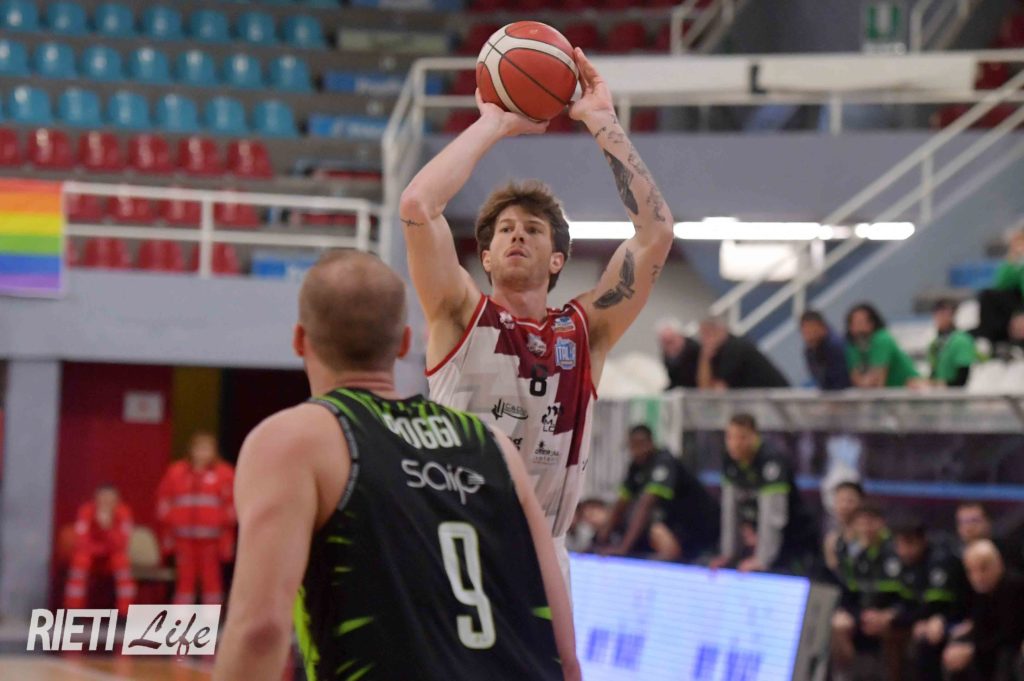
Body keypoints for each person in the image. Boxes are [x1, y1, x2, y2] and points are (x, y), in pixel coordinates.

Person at [213, 251, 579, 681]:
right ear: (405, 343)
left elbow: (259, 631)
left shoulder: (296, 441)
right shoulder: (495, 446)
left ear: (299, 339)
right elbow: (563, 645)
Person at [399, 48, 675, 584]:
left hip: (545, 553)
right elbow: (417, 205)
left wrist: (602, 120)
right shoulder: (459, 313)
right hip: (456, 545)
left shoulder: (586, 330)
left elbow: (656, 234)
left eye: (532, 229)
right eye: (505, 229)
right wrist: (493, 124)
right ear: (485, 258)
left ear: (556, 260)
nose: (517, 235)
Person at [709, 414, 817, 574]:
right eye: (730, 437)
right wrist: (728, 554)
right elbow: (729, 510)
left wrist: (762, 559)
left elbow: (773, 516)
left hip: (792, 541)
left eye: (742, 437)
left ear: (755, 437)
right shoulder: (730, 459)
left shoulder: (771, 460)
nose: (735, 444)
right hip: (757, 538)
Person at [596, 424, 719, 562]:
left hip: (697, 525)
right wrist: (599, 541)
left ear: (650, 443)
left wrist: (624, 548)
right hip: (674, 522)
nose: (636, 451)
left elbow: (646, 504)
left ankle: (673, 561)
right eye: (633, 446)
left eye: (640, 445)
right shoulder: (636, 466)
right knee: (606, 516)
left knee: (655, 529)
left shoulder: (664, 462)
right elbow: (621, 504)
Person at [156, 431, 235, 605]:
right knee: (185, 581)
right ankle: (182, 618)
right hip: (183, 537)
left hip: (212, 538)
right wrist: (171, 526)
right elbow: (164, 501)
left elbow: (232, 505)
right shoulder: (175, 473)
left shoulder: (225, 474)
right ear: (191, 450)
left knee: (211, 581)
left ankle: (210, 617)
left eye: (207, 449)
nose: (202, 453)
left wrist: (224, 532)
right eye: (199, 448)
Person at [890, 518, 969, 681]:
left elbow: (938, 605)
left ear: (922, 541)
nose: (903, 550)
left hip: (956, 617)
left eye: (909, 543)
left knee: (928, 638)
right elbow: (906, 602)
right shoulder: (904, 563)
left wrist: (938, 619)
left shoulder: (940, 560)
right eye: (899, 544)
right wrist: (892, 615)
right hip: (925, 619)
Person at [830, 503, 904, 677]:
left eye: (871, 522)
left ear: (882, 524)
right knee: (838, 625)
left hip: (891, 614)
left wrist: (888, 615)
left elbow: (907, 596)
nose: (866, 528)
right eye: (861, 523)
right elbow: (847, 595)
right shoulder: (851, 553)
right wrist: (860, 615)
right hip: (862, 615)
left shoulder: (896, 551)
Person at [942, 540, 1024, 681]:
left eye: (984, 568)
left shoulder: (1014, 587)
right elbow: (980, 625)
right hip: (989, 646)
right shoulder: (980, 591)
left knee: (1005, 656)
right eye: (971, 571)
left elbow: (1010, 635)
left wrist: (973, 651)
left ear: (998, 564)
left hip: (1009, 648)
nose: (978, 577)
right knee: (954, 647)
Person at [64, 484, 136, 616]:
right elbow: (81, 540)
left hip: (112, 554)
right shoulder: (86, 511)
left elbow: (122, 543)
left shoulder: (123, 513)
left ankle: (124, 613)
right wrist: (97, 549)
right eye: (103, 498)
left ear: (117, 500)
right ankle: (73, 612)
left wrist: (107, 528)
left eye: (110, 498)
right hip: (90, 553)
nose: (106, 502)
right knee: (80, 561)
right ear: (96, 499)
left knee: (122, 563)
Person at [696, 316, 790, 389]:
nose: (704, 339)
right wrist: (705, 356)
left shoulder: (735, 347)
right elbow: (705, 387)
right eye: (703, 334)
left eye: (708, 332)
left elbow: (717, 390)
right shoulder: (715, 352)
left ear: (721, 330)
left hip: (774, 398)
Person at [845, 302, 920, 388]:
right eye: (853, 324)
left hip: (908, 389)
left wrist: (866, 381)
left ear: (872, 323)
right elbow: (855, 378)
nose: (857, 328)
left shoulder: (882, 339)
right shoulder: (853, 345)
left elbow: (877, 382)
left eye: (860, 322)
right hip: (888, 392)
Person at [974, 227, 1024, 344]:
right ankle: (991, 338)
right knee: (988, 296)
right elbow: (1001, 283)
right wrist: (1013, 260)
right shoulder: (1017, 264)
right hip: (1017, 302)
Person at [928, 299, 976, 387]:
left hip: (955, 393)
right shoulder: (934, 344)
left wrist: (940, 385)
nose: (941, 318)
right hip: (938, 392)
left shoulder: (961, 340)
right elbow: (933, 373)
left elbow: (962, 378)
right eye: (939, 314)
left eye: (945, 314)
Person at [800, 310, 852, 390]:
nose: (809, 334)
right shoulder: (809, 351)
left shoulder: (836, 346)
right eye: (806, 331)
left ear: (822, 327)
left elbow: (842, 380)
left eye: (812, 329)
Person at [824, 480, 865, 578]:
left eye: (849, 501)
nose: (844, 506)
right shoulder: (832, 540)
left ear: (861, 502)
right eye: (840, 501)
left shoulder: (870, 536)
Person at [656, 317, 701, 389]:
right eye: (665, 342)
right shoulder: (667, 355)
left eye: (671, 341)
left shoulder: (696, 351)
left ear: (680, 337)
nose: (669, 346)